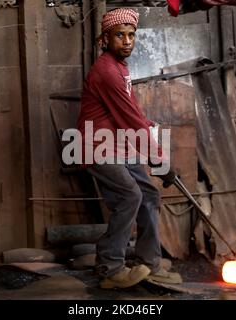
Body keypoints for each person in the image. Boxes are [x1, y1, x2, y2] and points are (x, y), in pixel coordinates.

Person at [76, 8, 182, 289]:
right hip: (97, 147)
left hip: (118, 143)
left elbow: (132, 111)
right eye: (119, 35)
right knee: (130, 196)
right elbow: (130, 120)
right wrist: (161, 160)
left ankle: (149, 264)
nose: (126, 41)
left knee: (148, 194)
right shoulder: (106, 71)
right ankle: (110, 268)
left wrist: (148, 127)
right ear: (104, 39)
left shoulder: (121, 68)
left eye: (131, 35)